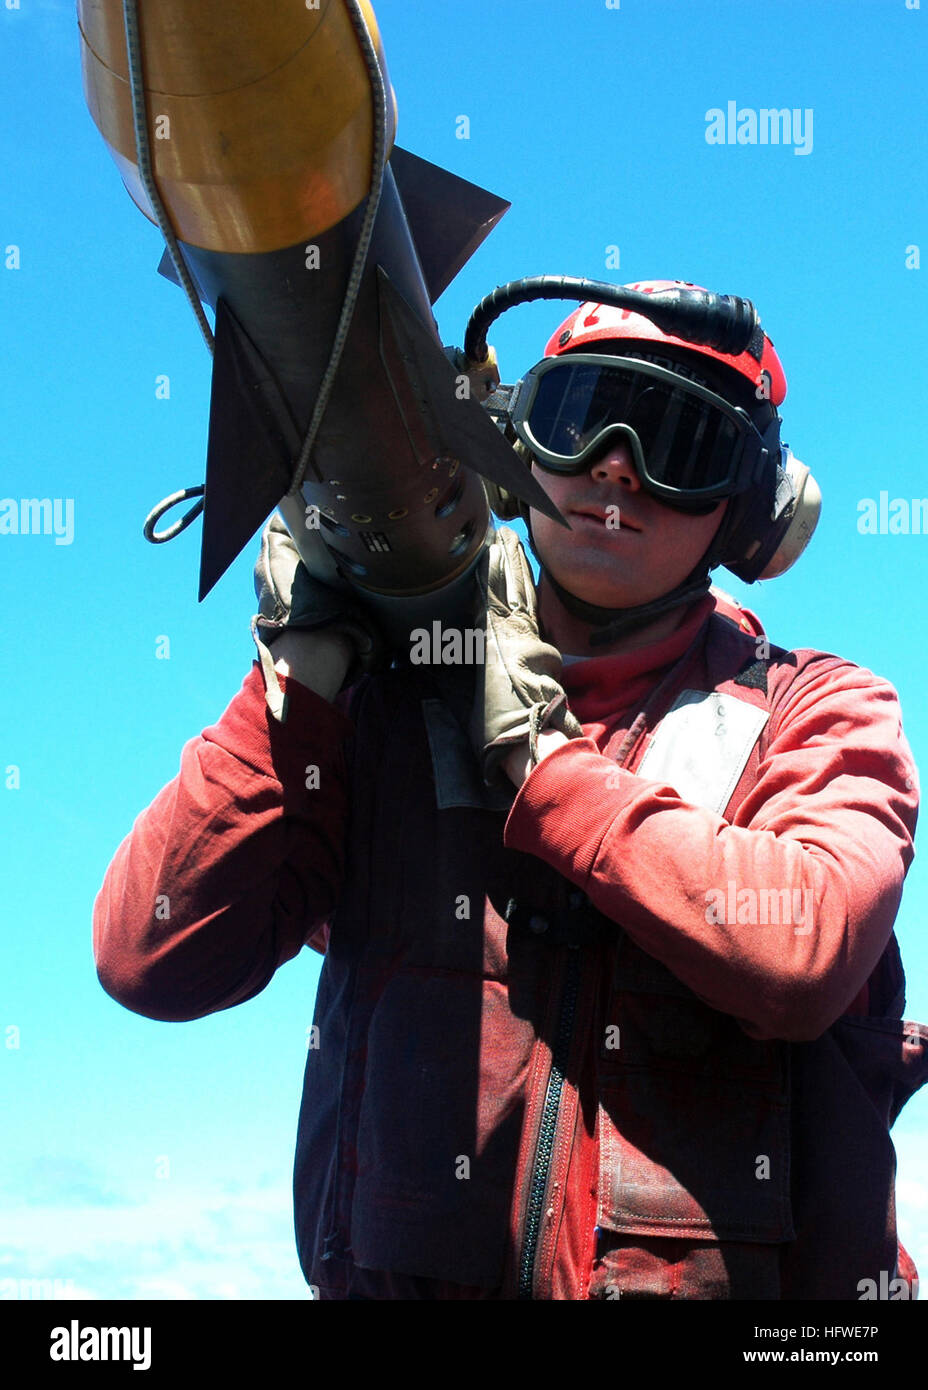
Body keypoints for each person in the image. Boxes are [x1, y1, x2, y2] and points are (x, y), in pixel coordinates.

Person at [93, 280, 927, 1301]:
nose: (616, 466)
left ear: (753, 512)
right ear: (514, 453)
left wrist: (540, 756)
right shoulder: (382, 712)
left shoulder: (820, 708)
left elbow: (803, 950)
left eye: (678, 441)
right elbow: (152, 958)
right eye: (582, 419)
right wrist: (297, 678)